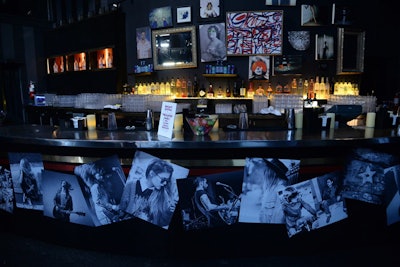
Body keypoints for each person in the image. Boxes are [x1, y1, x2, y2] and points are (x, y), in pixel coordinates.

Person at [118, 159, 176, 228]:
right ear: (151, 173)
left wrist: (170, 212)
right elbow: (121, 211)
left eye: (167, 180)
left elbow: (162, 222)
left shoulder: (162, 194)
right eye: (163, 179)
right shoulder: (130, 185)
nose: (165, 183)